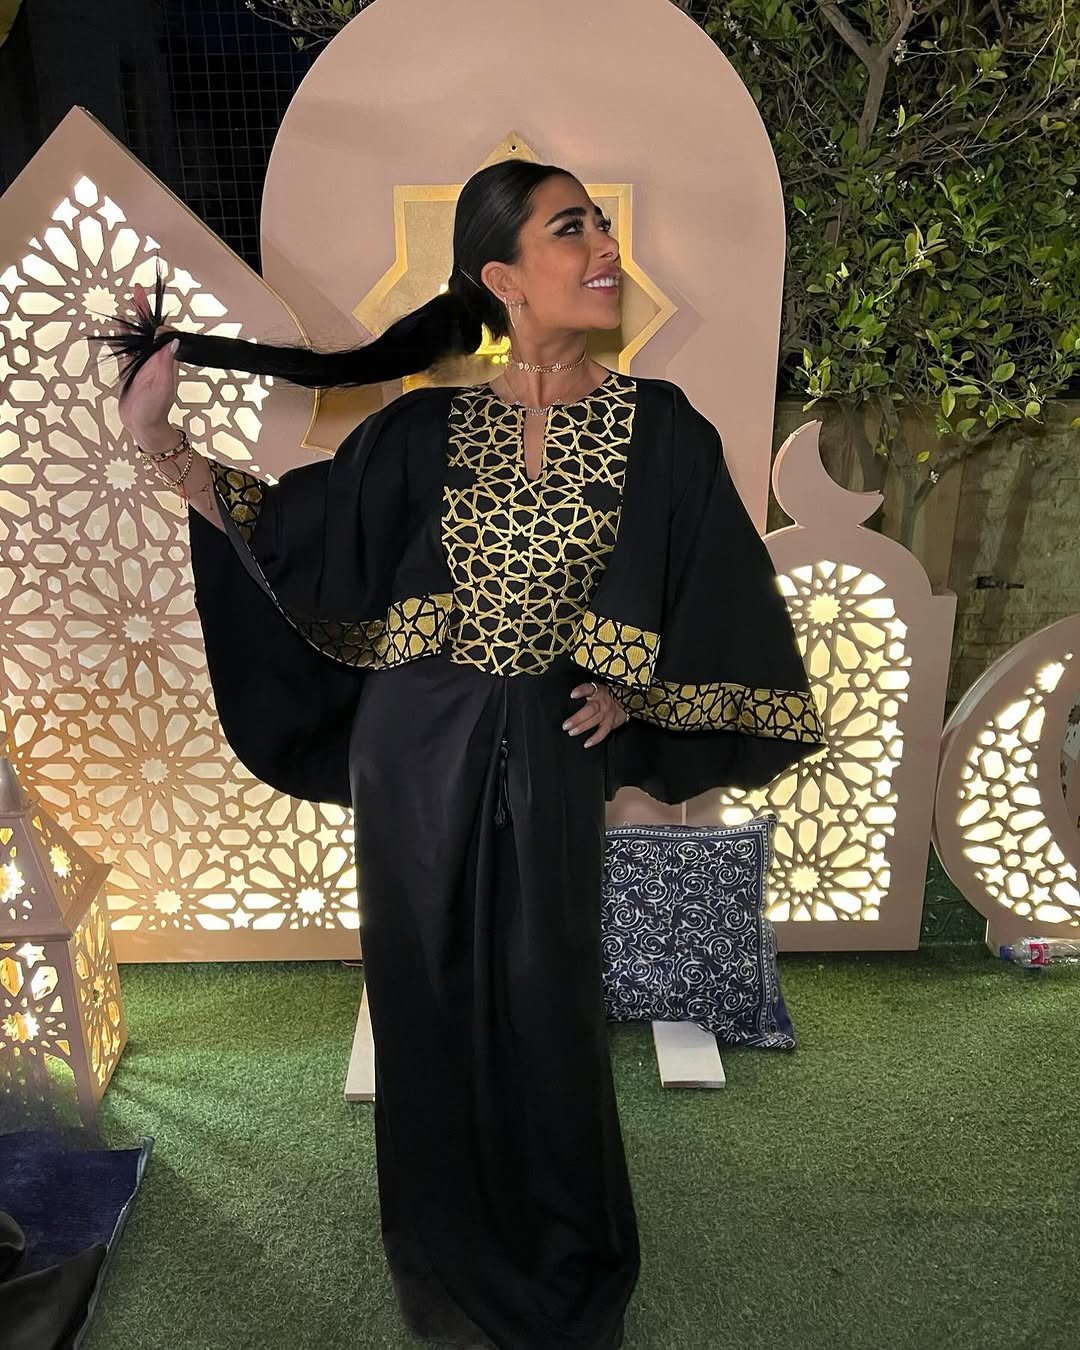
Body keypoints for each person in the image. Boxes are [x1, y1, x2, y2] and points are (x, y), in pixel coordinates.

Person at [97, 159, 826, 1350]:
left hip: (545, 747)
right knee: (425, 996)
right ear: (503, 276)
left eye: (602, 224)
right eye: (571, 228)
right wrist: (156, 440)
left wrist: (630, 689)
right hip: (414, 749)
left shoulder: (663, 429)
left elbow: (713, 588)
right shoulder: (423, 430)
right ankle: (444, 1251)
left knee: (549, 994)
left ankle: (564, 1248)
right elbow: (292, 534)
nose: (605, 249)